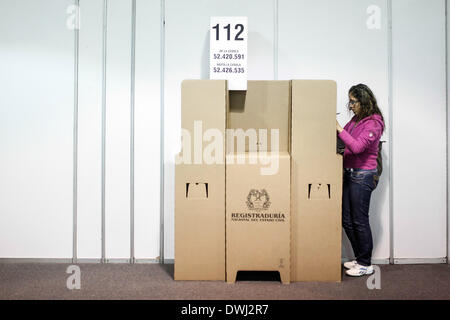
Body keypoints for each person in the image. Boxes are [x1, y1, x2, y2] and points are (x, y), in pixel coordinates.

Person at [336, 83, 385, 277]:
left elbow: (356, 147)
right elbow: (343, 138)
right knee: (347, 219)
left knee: (359, 220)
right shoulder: (356, 120)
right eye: (350, 101)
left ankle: (366, 263)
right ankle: (359, 258)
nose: (351, 105)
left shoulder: (374, 123)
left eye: (354, 101)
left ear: (364, 100)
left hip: (363, 176)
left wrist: (339, 128)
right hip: (349, 173)